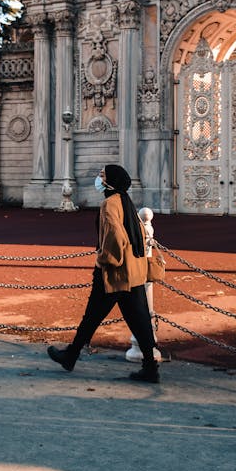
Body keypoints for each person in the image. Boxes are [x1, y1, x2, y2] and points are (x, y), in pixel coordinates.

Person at [47, 164, 160, 383]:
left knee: (92, 316)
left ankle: (70, 355)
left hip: (114, 272)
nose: (98, 179)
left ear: (111, 181)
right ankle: (150, 367)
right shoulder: (126, 201)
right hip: (134, 271)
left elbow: (115, 237)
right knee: (139, 319)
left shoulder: (109, 204)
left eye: (102, 176)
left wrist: (104, 259)